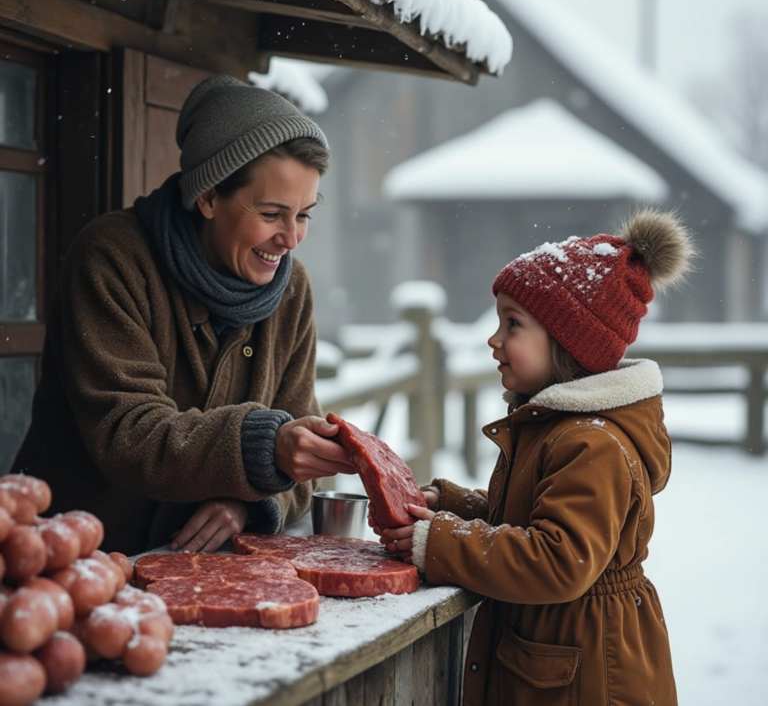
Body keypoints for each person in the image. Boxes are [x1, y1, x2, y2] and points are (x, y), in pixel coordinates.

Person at [13, 75, 355, 555]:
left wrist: (250, 503)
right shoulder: (111, 258)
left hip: (205, 573)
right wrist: (262, 449)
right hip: (72, 558)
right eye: (273, 213)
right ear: (209, 197)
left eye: (303, 215)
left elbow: (297, 446)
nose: (292, 238)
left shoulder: (292, 290)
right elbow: (127, 432)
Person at [372, 209, 693, 706]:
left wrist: (438, 542)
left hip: (587, 675)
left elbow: (559, 558)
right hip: (557, 660)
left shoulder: (592, 442)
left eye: (512, 324)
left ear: (568, 342)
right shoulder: (554, 426)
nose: (493, 339)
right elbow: (528, 518)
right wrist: (450, 506)